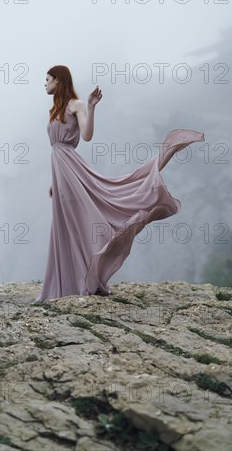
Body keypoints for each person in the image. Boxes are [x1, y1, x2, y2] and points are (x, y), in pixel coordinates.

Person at [34, 65, 205, 302]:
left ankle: (89, 279)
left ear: (58, 80)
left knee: (83, 221)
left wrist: (92, 107)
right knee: (65, 227)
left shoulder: (76, 104)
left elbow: (86, 136)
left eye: (47, 79)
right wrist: (54, 180)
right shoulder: (54, 110)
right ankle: (64, 285)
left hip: (72, 170)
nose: (44, 84)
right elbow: (56, 150)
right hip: (60, 172)